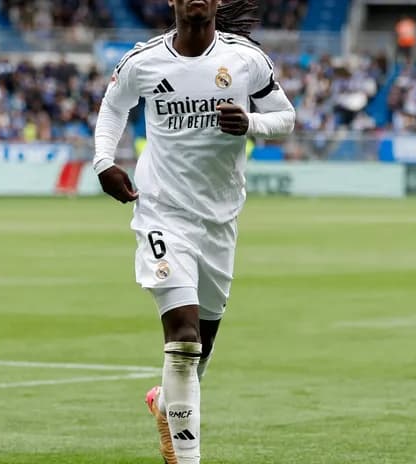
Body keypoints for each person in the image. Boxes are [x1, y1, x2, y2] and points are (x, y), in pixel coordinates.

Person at [92, 1, 295, 463]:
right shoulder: (143, 61)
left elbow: (286, 117)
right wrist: (104, 161)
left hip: (220, 220)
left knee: (198, 353)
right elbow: (112, 108)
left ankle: (165, 404)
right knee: (183, 338)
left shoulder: (245, 59)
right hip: (162, 212)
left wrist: (251, 123)